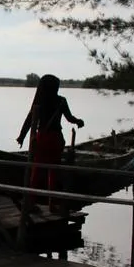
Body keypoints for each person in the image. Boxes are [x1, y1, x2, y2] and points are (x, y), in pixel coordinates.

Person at [15, 74, 85, 203]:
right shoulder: (61, 101)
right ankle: (52, 202)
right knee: (53, 171)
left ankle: (31, 200)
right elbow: (70, 118)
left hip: (41, 138)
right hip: (56, 139)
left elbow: (29, 120)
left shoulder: (39, 101)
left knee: (36, 171)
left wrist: (21, 136)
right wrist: (78, 121)